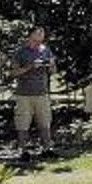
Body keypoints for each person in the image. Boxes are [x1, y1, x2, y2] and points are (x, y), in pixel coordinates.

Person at [11, 25, 55, 156]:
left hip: (42, 93)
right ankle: (23, 151)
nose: (41, 36)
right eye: (38, 33)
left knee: (45, 121)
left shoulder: (46, 50)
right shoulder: (20, 52)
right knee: (23, 123)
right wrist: (30, 67)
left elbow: (53, 71)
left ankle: (47, 149)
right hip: (24, 94)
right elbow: (13, 72)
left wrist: (51, 65)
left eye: (42, 34)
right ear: (30, 35)